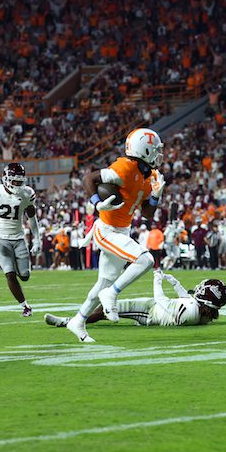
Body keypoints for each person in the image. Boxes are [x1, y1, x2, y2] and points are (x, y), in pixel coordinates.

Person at [64, 128, 164, 342]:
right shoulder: (125, 168)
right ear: (144, 150)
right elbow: (88, 179)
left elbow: (147, 213)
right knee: (146, 260)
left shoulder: (151, 176)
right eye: (155, 150)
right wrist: (96, 203)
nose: (159, 154)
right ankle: (112, 293)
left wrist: (156, 196)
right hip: (106, 230)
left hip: (122, 230)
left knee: (103, 283)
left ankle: (78, 321)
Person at [45, 270, 226, 328]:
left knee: (105, 309)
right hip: (154, 309)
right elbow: (186, 298)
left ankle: (68, 322)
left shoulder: (191, 312)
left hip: (150, 312)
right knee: (107, 305)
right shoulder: (200, 312)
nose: (200, 289)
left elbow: (162, 300)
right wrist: (175, 283)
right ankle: (75, 320)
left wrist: (157, 279)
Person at [0, 163, 42, 317]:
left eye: (20, 181)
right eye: (15, 181)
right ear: (6, 179)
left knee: (25, 276)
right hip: (0, 240)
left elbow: (32, 218)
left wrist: (37, 240)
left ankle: (16, 264)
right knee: (9, 274)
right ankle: (25, 306)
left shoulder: (27, 194)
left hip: (19, 239)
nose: (18, 185)